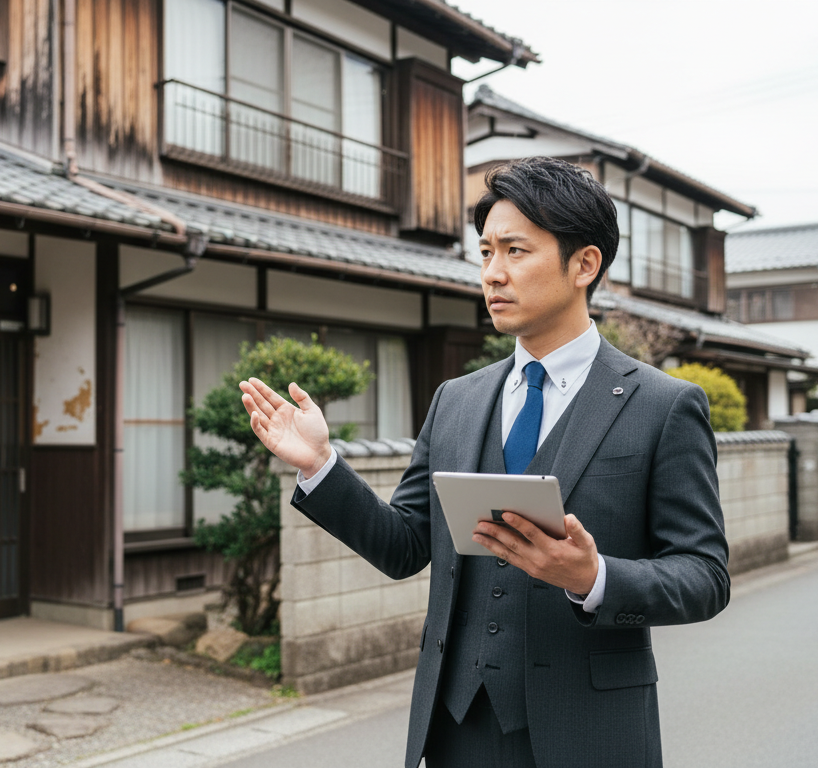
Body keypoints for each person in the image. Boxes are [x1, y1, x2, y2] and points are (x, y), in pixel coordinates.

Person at [239, 156, 729, 768]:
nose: (493, 274)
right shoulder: (458, 399)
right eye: (485, 252)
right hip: (456, 728)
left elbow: (706, 576)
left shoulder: (663, 405)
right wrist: (319, 465)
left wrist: (593, 576)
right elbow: (405, 546)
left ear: (584, 264)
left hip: (592, 733)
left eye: (515, 252)